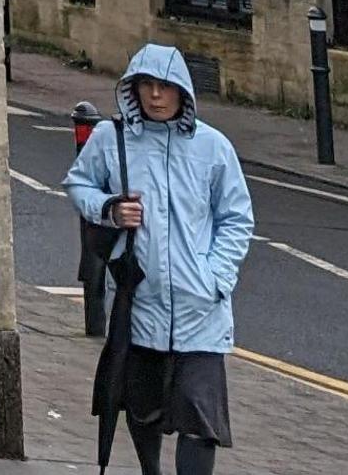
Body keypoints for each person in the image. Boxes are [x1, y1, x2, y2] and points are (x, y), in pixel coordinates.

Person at [66, 43, 255, 475]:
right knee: (142, 410)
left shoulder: (213, 147)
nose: (155, 96)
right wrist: (110, 209)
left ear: (182, 93)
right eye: (146, 86)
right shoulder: (110, 140)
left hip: (201, 312)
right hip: (141, 304)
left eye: (164, 87)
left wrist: (216, 277)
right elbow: (78, 184)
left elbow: (237, 217)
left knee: (199, 419)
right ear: (131, 90)